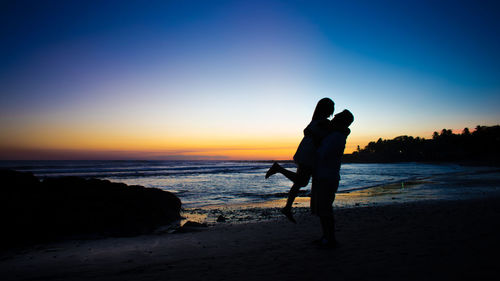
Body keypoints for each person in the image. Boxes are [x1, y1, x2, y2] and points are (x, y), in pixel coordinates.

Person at [265, 98, 334, 223]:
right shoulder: (324, 122)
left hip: (306, 149)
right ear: (327, 108)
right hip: (309, 151)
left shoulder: (315, 121)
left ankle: (287, 207)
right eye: (331, 107)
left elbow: (307, 132)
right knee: (302, 181)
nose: (333, 109)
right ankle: (278, 168)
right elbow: (322, 137)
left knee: (298, 182)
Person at [311, 109, 354, 249]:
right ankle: (327, 237)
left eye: (337, 116)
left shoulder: (336, 136)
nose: (333, 117)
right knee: (324, 209)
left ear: (341, 120)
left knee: (325, 210)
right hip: (327, 175)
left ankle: (329, 239)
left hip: (326, 176)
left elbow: (321, 154)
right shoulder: (336, 134)